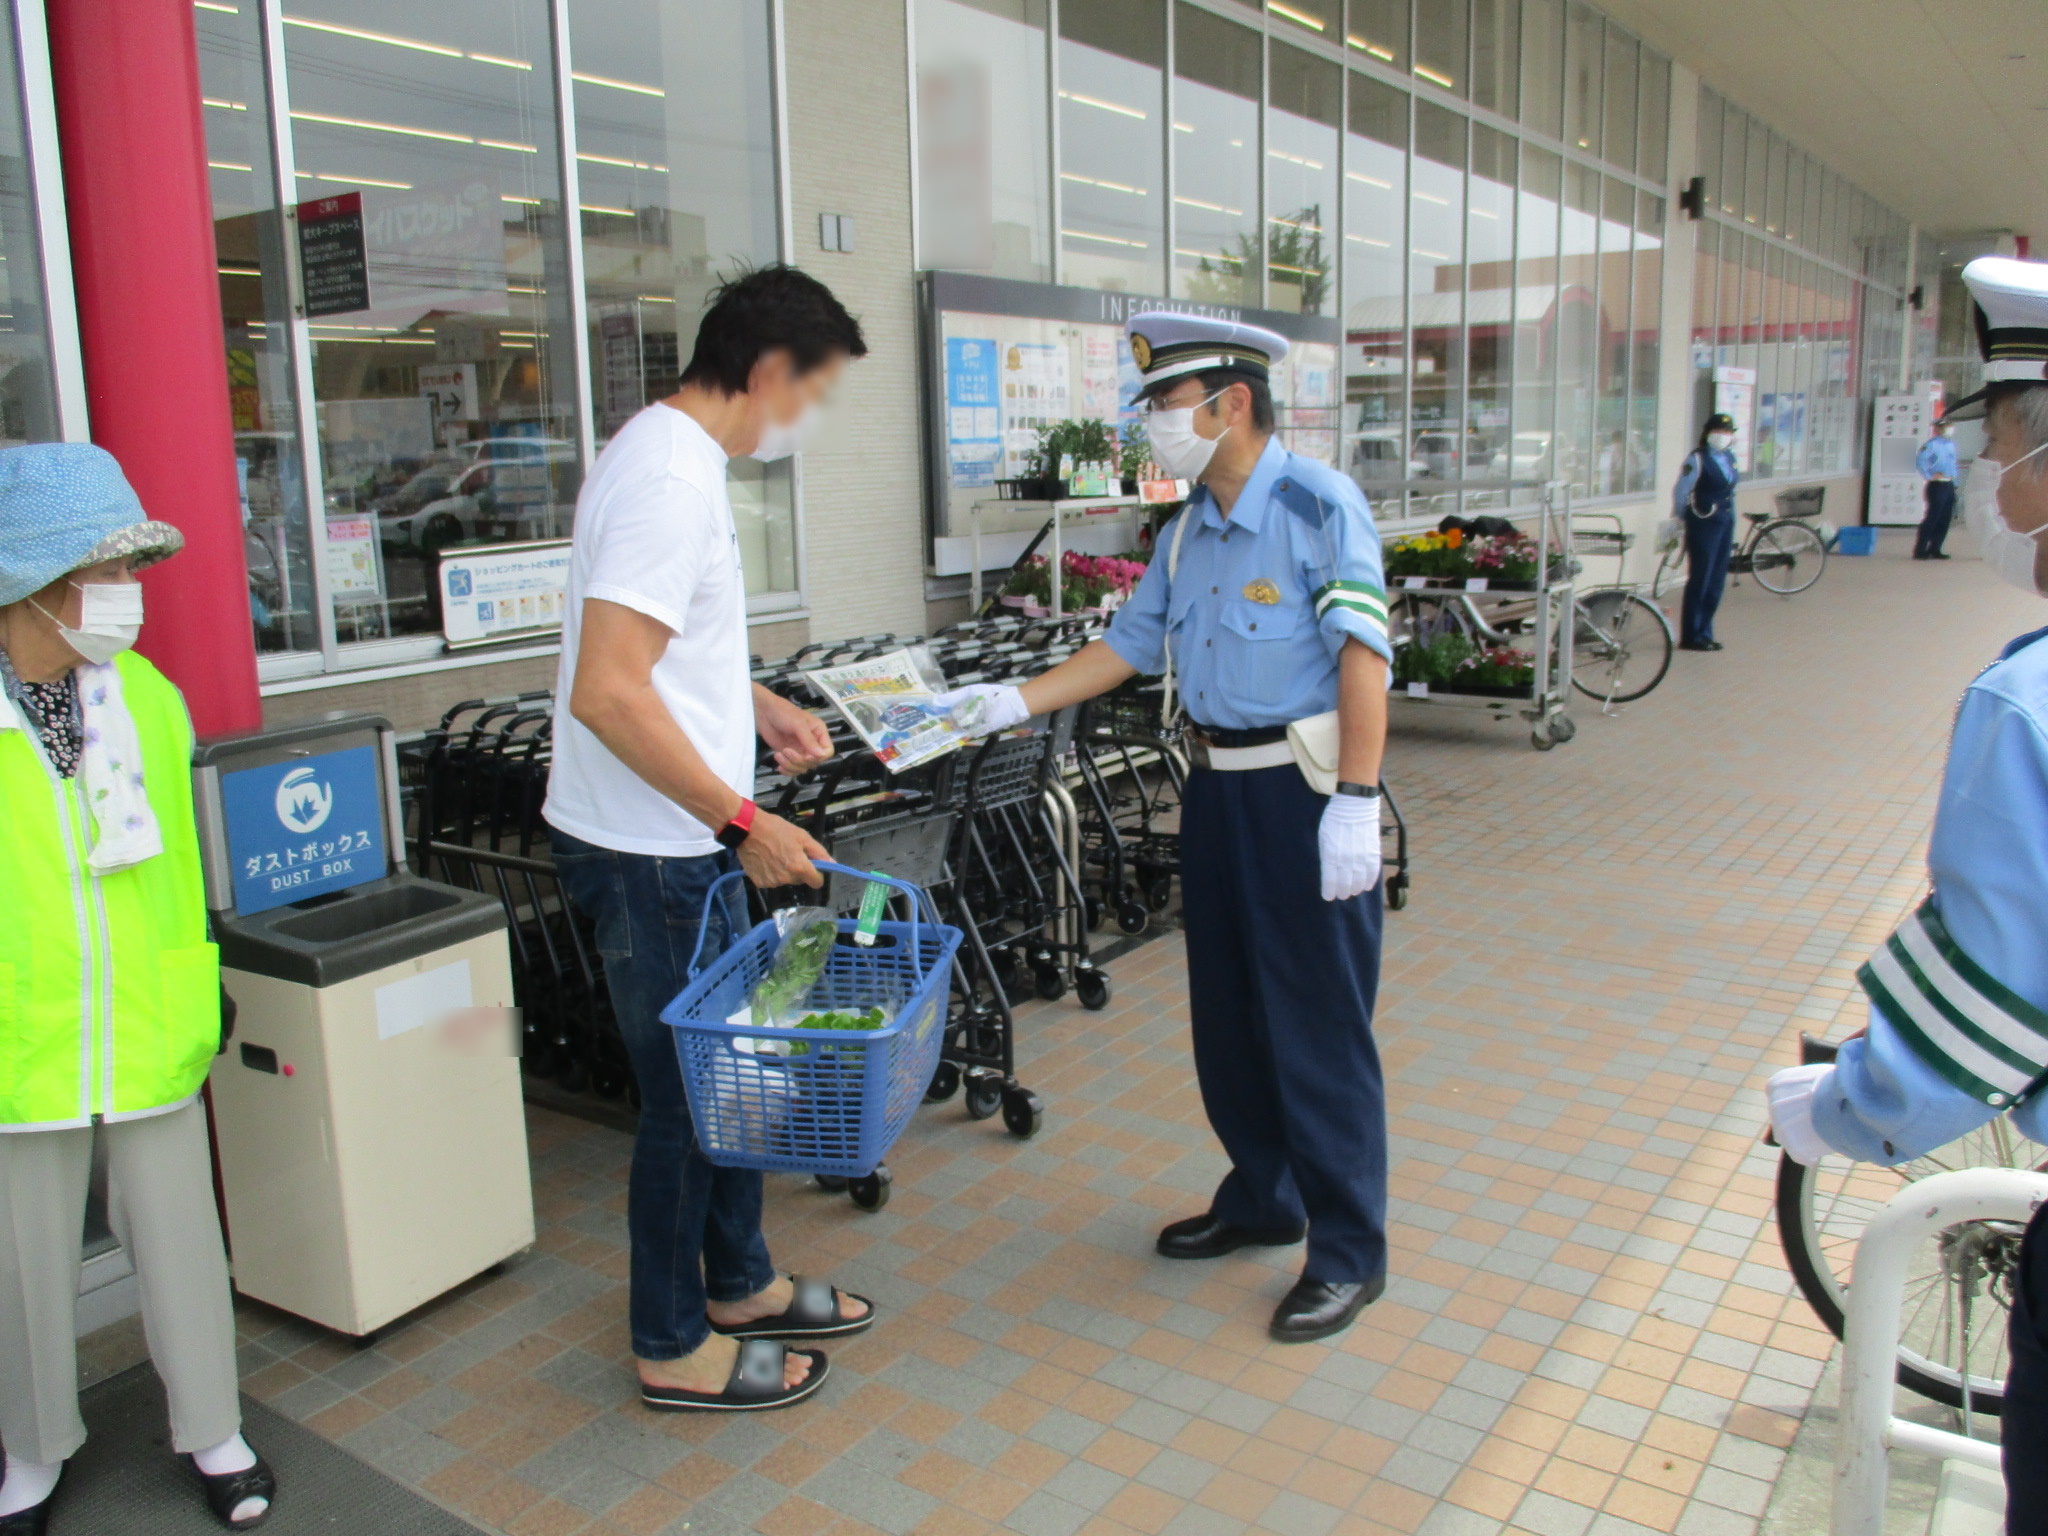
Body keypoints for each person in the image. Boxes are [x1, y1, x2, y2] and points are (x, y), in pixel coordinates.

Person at [939, 313, 1395, 1344]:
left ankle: (1347, 1251)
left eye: (1161, 404)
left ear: (1228, 404)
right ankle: (1262, 1197)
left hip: (1306, 791)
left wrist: (1357, 803)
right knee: (1229, 1015)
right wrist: (1008, 703)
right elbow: (1129, 646)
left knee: (1317, 1027)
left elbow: (1363, 657)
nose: (1150, 423)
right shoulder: (1186, 527)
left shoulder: (1317, 505)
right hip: (1217, 790)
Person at [542, 266, 877, 1414]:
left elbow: (658, 648)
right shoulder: (669, 481)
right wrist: (739, 820)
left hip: (672, 837)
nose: (810, 420)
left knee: (732, 1076)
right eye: (817, 393)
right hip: (656, 852)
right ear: (770, 371)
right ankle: (669, 1341)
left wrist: (751, 703)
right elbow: (606, 690)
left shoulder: (668, 455)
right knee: (693, 1098)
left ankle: (736, 1283)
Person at [1764, 255, 2048, 1534]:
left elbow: (1987, 1009)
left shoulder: (2023, 706)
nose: (1985, 479)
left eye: (1996, 444)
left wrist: (1838, 1110)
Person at [0, 443, 275, 1533]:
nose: (124, 595)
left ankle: (213, 1428)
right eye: (104, 569)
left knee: (178, 1240)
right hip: (22, 1025)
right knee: (21, 1262)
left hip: (147, 1012)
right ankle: (29, 1449)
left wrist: (203, 984)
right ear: (34, 577)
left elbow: (178, 871)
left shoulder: (146, 696)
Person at [1670, 412, 1741, 651]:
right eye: (1718, 432)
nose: (1723, 436)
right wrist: (1683, 517)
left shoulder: (1729, 457)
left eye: (1728, 432)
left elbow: (1731, 490)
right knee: (1701, 577)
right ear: (1708, 433)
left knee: (1717, 579)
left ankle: (1705, 631)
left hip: (1724, 521)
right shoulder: (1697, 459)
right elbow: (1681, 491)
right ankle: (1691, 634)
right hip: (1704, 521)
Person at [1914, 416, 1959, 560]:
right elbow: (1920, 460)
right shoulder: (1932, 444)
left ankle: (1936, 548)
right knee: (1933, 517)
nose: (1949, 429)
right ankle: (1921, 549)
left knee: (1945, 518)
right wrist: (1929, 475)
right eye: (1946, 426)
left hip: (1949, 484)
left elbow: (1952, 464)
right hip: (1937, 485)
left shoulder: (1950, 444)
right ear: (1938, 429)